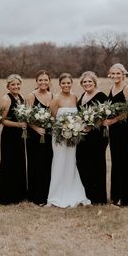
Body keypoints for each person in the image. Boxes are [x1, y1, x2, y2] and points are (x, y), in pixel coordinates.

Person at [47, 73, 91, 208]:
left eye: (68, 83)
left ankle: (74, 192)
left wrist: (74, 129)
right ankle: (56, 195)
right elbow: (52, 119)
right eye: (63, 83)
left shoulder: (75, 97)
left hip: (73, 137)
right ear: (59, 84)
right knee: (60, 161)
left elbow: (77, 117)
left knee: (71, 162)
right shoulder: (56, 99)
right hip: (59, 137)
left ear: (72, 83)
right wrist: (62, 129)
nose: (66, 85)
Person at [76, 71, 108, 204]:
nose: (87, 84)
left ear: (95, 82)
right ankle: (87, 194)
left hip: (98, 136)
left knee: (97, 164)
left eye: (90, 81)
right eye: (84, 82)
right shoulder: (83, 95)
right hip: (83, 136)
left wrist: (91, 126)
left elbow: (105, 117)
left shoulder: (101, 96)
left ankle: (99, 197)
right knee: (83, 163)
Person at [0, 74, 27, 204]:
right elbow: (2, 120)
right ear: (8, 86)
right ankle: (7, 196)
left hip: (19, 136)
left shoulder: (21, 97)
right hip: (9, 135)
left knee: (19, 162)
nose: (16, 86)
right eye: (13, 84)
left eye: (18, 84)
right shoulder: (6, 99)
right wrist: (18, 125)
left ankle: (19, 193)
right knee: (9, 163)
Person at [105, 63, 128, 206]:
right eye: (113, 74)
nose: (115, 76)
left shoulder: (126, 88)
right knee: (115, 161)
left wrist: (113, 120)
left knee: (123, 161)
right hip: (113, 130)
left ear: (123, 74)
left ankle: (125, 196)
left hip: (123, 129)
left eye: (118, 74)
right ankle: (115, 196)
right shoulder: (112, 88)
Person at [25, 70, 53, 206]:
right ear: (36, 82)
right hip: (34, 136)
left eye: (45, 80)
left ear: (49, 81)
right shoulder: (31, 96)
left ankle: (47, 194)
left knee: (47, 164)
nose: (43, 82)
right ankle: (35, 196)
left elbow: (54, 115)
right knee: (36, 164)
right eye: (40, 80)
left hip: (49, 135)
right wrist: (37, 129)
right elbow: (26, 117)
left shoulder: (53, 95)